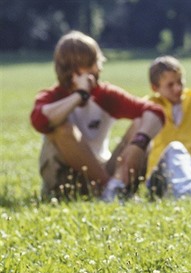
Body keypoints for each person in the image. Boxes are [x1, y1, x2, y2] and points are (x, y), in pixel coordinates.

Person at [30, 30, 165, 201]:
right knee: (61, 128)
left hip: (102, 168)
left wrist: (139, 144)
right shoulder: (51, 97)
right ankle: (110, 189)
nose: (99, 67)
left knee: (141, 124)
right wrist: (79, 95)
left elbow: (155, 112)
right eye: (94, 63)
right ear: (76, 69)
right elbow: (40, 121)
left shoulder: (105, 95)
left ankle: (114, 189)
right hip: (65, 181)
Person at [144, 55, 191, 200]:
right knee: (175, 148)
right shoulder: (148, 107)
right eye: (170, 85)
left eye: (180, 82)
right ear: (155, 88)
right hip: (160, 173)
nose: (177, 88)